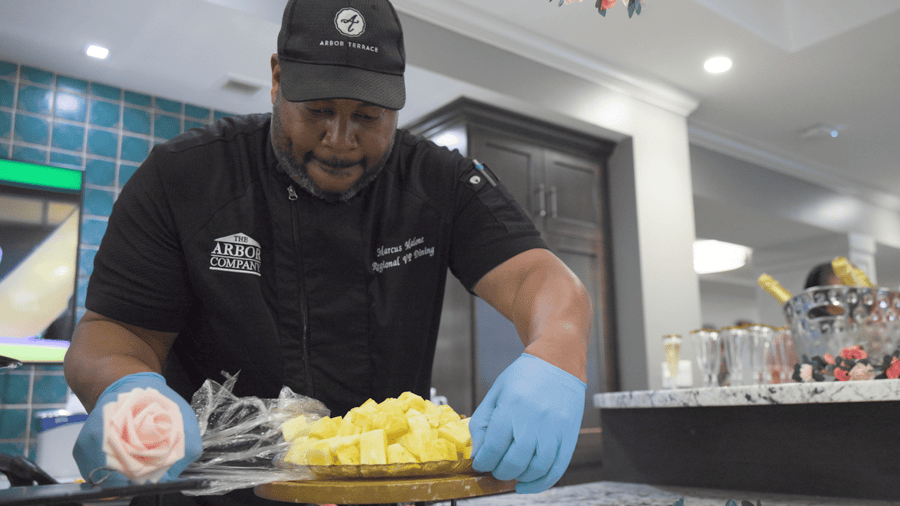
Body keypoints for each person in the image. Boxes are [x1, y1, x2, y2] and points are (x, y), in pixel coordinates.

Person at [63, 0, 592, 505]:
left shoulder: (440, 182)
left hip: (387, 495)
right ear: (276, 79)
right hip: (214, 498)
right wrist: (125, 389)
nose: (340, 139)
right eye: (317, 110)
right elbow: (111, 335)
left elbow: (536, 279)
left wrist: (557, 351)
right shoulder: (182, 179)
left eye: (368, 115)